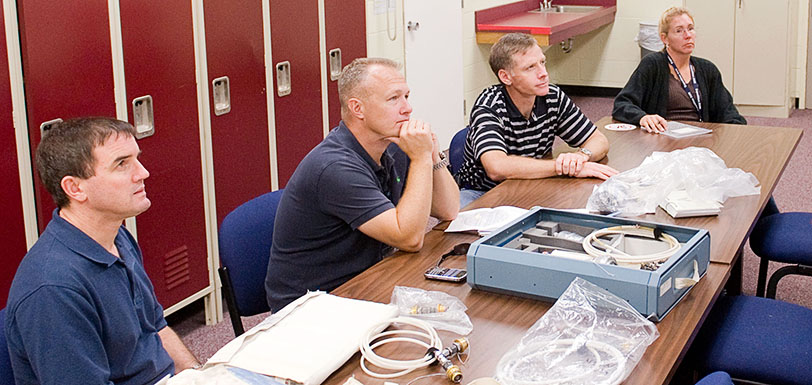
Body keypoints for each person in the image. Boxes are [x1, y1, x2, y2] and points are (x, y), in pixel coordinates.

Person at [5, 118, 200, 384]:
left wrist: (200, 376)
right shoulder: (53, 287)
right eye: (122, 164)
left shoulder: (116, 235)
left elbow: (156, 328)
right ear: (75, 188)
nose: (142, 173)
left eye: (137, 159)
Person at [264, 58, 459, 312]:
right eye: (393, 99)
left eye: (407, 96)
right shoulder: (334, 167)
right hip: (312, 305)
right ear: (358, 109)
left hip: (369, 278)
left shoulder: (392, 145)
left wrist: (433, 156)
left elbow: (448, 211)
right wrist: (420, 158)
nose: (407, 108)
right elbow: (409, 238)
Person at [455, 33, 617, 207]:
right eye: (530, 67)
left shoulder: (551, 96)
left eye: (542, 62)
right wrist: (560, 167)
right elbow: (497, 167)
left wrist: (580, 158)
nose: (543, 73)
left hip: (532, 182)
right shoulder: (488, 106)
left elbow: (598, 140)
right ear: (505, 77)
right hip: (484, 193)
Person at [612, 7, 746, 132]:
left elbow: (727, 111)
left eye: (690, 28)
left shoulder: (707, 69)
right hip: (663, 137)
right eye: (679, 30)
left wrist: (737, 131)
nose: (688, 35)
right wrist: (642, 117)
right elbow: (622, 104)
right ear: (664, 38)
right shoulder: (653, 65)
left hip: (700, 138)